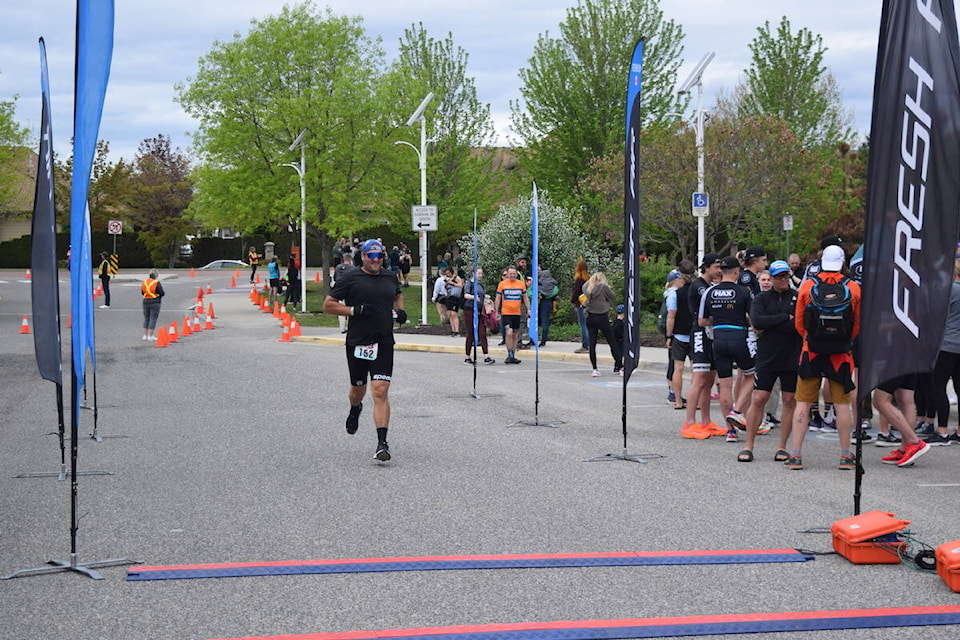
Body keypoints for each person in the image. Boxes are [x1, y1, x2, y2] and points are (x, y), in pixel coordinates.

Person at [322, 239, 406, 462]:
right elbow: (328, 304)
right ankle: (355, 408)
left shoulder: (389, 276)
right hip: (358, 342)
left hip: (384, 341)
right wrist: (353, 310)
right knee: (358, 390)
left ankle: (382, 443)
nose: (376, 260)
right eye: (372, 256)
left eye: (379, 256)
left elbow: (397, 295)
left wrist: (401, 310)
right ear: (364, 257)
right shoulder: (351, 278)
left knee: (380, 390)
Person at [786, 244, 859, 470]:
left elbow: (799, 323)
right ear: (842, 263)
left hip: (812, 352)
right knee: (841, 405)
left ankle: (796, 454)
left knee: (803, 403)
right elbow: (856, 326)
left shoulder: (808, 286)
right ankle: (845, 455)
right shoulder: (853, 288)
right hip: (841, 355)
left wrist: (811, 338)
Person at [740, 260, 800, 462]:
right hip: (767, 356)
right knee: (758, 399)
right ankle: (748, 445)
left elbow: (800, 326)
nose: (782, 280)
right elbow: (757, 321)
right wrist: (785, 317)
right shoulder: (761, 298)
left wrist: (773, 322)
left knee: (789, 401)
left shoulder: (798, 297)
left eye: (785, 276)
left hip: (792, 356)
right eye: (778, 276)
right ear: (772, 278)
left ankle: (782, 446)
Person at [698, 256, 756, 443]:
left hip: (719, 339)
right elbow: (754, 320)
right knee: (752, 375)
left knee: (725, 385)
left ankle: (730, 431)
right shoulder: (744, 292)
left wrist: (718, 320)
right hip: (739, 337)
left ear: (721, 271)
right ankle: (737, 410)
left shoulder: (710, 292)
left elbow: (701, 321)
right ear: (737, 272)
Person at [681, 253, 725, 439]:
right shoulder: (699, 287)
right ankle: (690, 421)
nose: (719, 270)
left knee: (709, 381)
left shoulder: (710, 286)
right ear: (706, 267)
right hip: (700, 333)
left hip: (712, 335)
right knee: (699, 379)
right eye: (716, 266)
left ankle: (706, 421)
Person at [930, 258, 960, 445]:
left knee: (938, 386)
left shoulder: (951, 290)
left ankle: (942, 431)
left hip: (947, 343)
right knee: (959, 387)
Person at [873, 376, 930, 467]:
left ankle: (914, 441)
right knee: (906, 399)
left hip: (894, 363)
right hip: (909, 362)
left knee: (880, 400)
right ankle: (905, 449)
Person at [665, 261, 696, 410]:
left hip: (679, 334)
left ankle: (678, 400)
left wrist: (668, 335)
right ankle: (695, 401)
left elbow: (671, 316)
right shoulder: (698, 291)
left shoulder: (676, 294)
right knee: (696, 369)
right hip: (696, 333)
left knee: (678, 368)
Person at [582, 270, 622, 376]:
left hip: (590, 316)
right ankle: (620, 366)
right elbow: (612, 296)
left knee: (592, 344)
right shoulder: (603, 287)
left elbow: (584, 294)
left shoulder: (586, 287)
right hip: (602, 316)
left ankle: (595, 369)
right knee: (612, 342)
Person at [496, 266, 529, 364]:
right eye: (510, 274)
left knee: (515, 334)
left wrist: (529, 309)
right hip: (506, 312)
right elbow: (498, 298)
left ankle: (513, 355)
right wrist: (496, 311)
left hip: (517, 312)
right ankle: (509, 353)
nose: (512, 275)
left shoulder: (521, 284)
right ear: (507, 274)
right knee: (509, 332)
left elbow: (525, 297)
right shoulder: (502, 284)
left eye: (514, 274)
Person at [462, 267, 494, 365]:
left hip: (480, 311)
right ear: (473, 274)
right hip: (470, 310)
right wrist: (474, 297)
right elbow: (465, 295)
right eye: (478, 273)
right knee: (470, 333)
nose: (480, 275)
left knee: (482, 333)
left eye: (481, 273)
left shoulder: (480, 285)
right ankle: (467, 356)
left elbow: (482, 297)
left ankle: (486, 356)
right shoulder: (469, 284)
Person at [333, 252, 356, 334]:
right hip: (350, 291)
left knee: (341, 310)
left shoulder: (338, 267)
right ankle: (350, 327)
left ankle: (342, 328)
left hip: (339, 292)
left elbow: (335, 278)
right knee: (350, 310)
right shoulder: (353, 269)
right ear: (350, 260)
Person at [536, 265, 559, 346]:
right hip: (548, 302)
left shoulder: (542, 281)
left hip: (544, 302)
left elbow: (543, 291)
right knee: (544, 320)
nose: (537, 272)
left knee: (543, 321)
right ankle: (542, 339)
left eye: (538, 271)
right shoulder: (552, 281)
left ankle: (542, 340)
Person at [571, 260, 590, 353]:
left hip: (580, 303)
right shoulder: (589, 278)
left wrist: (572, 300)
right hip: (588, 303)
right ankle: (589, 344)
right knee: (587, 325)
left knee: (583, 325)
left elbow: (576, 292)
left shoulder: (579, 279)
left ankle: (585, 346)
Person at [140, 269, 164, 341]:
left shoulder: (145, 282)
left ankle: (145, 335)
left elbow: (142, 291)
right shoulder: (156, 282)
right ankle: (151, 335)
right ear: (156, 275)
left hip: (145, 301)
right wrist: (158, 296)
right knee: (153, 318)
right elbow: (162, 293)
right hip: (155, 301)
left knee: (146, 318)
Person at [444, 268, 464, 336]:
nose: (448, 275)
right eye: (446, 273)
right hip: (449, 297)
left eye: (449, 273)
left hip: (455, 298)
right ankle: (453, 330)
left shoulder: (457, 278)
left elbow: (461, 285)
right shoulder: (448, 279)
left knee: (454, 314)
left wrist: (452, 283)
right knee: (449, 314)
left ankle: (457, 331)